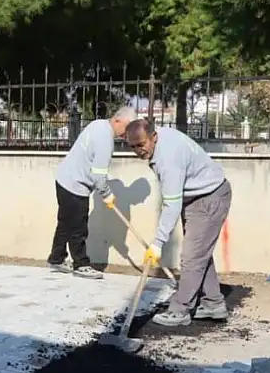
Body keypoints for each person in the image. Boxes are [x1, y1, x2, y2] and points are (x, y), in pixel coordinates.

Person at [124, 118, 232, 326]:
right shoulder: (159, 142)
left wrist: (157, 243)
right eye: (133, 146)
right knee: (199, 253)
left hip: (209, 198)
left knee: (192, 256)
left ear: (153, 137)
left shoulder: (168, 159)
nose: (138, 150)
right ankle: (212, 303)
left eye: (141, 144)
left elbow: (171, 204)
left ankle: (180, 310)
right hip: (196, 196)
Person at [48, 106, 137, 279]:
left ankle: (56, 258)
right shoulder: (106, 140)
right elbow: (98, 176)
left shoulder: (98, 124)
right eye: (127, 128)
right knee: (78, 227)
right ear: (117, 120)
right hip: (75, 185)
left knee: (65, 222)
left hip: (63, 179)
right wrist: (107, 194)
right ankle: (81, 264)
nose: (127, 134)